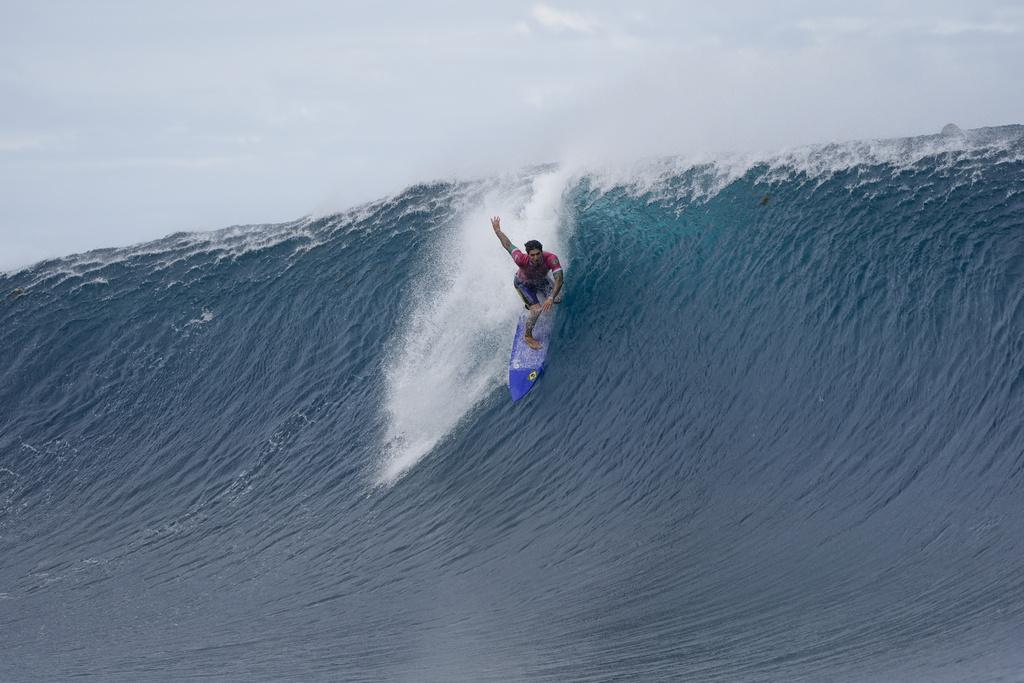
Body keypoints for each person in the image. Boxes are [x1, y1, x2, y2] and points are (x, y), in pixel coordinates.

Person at [491, 215, 563, 350]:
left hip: (541, 281)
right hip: (523, 284)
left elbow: (559, 279)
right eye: (532, 255)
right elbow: (508, 244)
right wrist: (497, 231)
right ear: (528, 254)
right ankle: (528, 336)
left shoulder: (551, 259)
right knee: (536, 310)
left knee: (558, 298)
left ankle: (534, 302)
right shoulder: (520, 259)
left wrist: (551, 297)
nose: (535, 257)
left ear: (541, 252)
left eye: (538, 254)